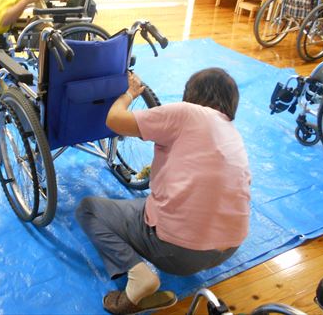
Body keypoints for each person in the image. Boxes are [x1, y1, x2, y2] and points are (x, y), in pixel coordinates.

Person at [76, 68, 251, 315]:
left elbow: (114, 120)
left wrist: (129, 93)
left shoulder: (186, 112)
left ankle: (138, 276)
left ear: (191, 94)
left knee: (88, 209)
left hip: (179, 254)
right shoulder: (233, 133)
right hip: (230, 247)